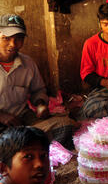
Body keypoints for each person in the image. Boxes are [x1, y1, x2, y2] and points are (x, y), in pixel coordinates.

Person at [0, 14, 75, 149]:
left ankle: (22, 145)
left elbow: (38, 90)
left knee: (66, 125)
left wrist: (40, 104)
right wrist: (1, 116)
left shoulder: (28, 63)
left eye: (18, 39)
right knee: (13, 142)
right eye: (6, 38)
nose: (13, 44)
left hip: (22, 119)